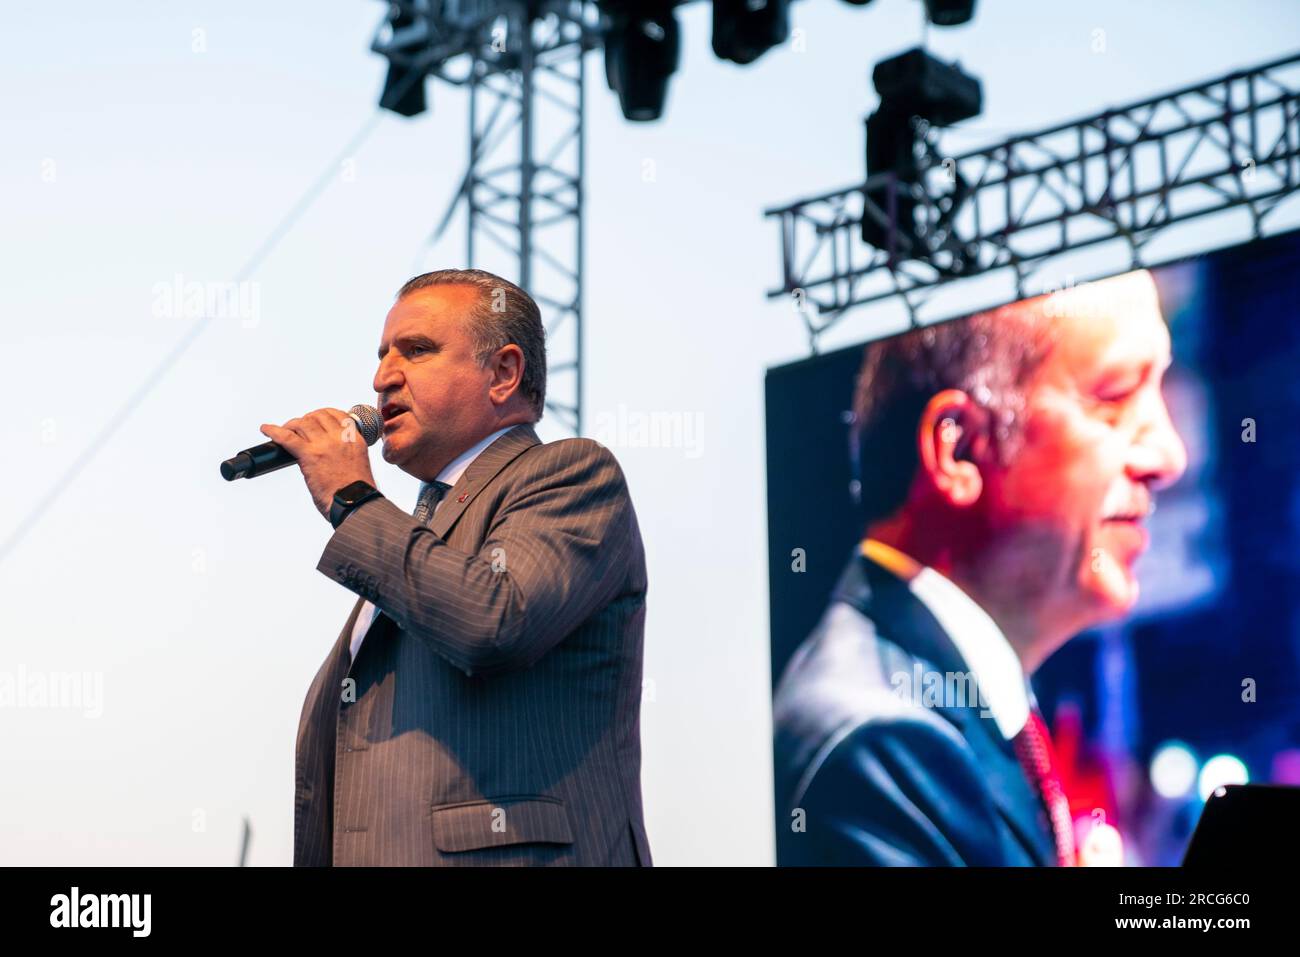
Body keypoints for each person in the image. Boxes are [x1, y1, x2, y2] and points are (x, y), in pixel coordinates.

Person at [773, 269, 1187, 865]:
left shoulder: (951, 711)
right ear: (959, 449)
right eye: (1116, 396)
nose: (1169, 456)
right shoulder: (877, 741)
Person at [263, 268, 651, 866]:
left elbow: (493, 621)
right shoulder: (419, 529)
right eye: (383, 354)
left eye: (416, 350)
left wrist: (352, 501)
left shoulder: (571, 475)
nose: (382, 376)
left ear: (503, 373)